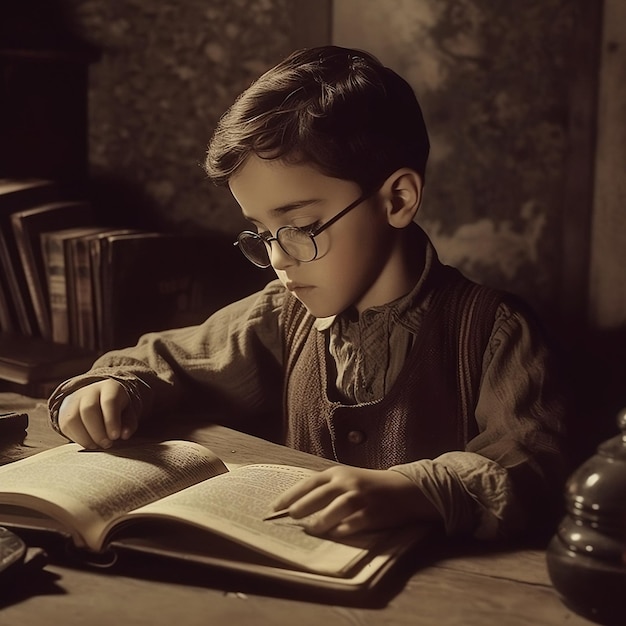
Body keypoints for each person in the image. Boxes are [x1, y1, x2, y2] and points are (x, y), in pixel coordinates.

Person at [48, 45, 570, 541]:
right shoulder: (281, 312)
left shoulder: (496, 332)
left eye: (301, 225)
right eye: (261, 233)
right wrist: (111, 387)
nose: (278, 258)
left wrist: (415, 491)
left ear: (398, 199)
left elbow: (532, 465)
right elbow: (169, 358)